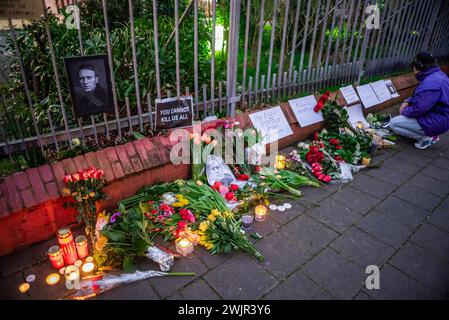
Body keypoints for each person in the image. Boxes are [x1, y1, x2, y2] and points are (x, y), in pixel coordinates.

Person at [389, 52, 449, 149]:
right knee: (404, 116)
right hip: (440, 117)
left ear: (419, 66)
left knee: (394, 123)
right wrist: (407, 101)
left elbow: (418, 109)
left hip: (436, 121)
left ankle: (427, 138)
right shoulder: (437, 75)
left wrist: (404, 111)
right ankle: (427, 134)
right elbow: (422, 97)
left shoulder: (431, 84)